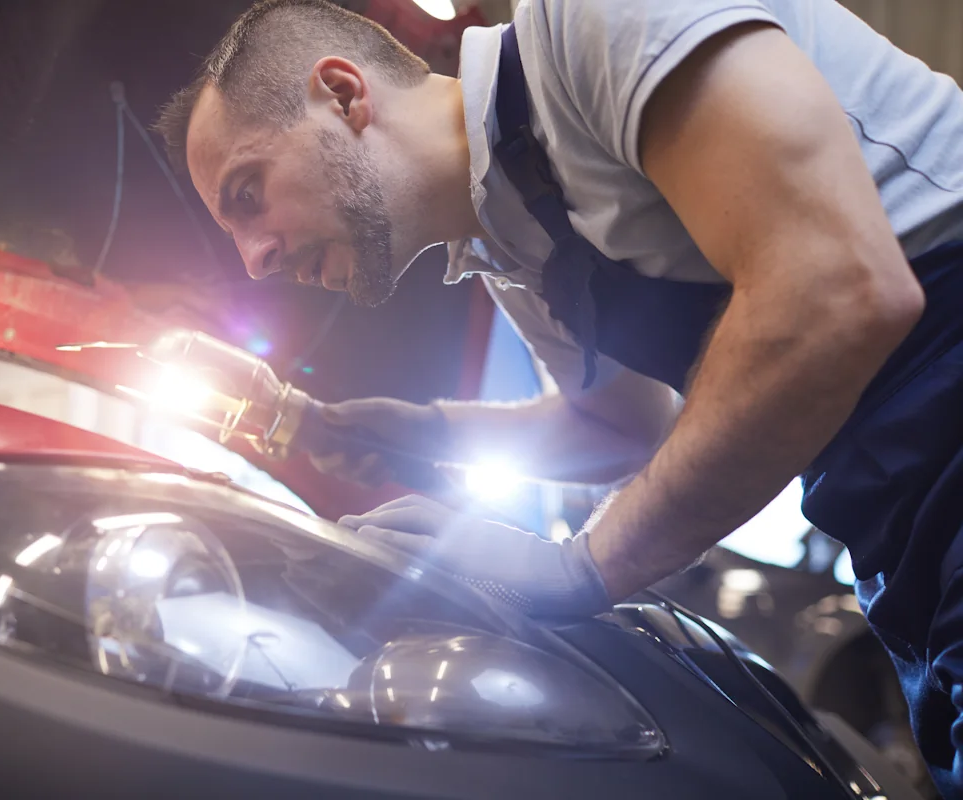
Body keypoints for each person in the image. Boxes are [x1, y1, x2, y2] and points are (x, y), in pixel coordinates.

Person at [157, 0, 963, 791]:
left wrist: (584, 567)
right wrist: (398, 431)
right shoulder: (513, 238)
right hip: (899, 523)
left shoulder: (595, 20)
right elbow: (618, 429)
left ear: (342, 94)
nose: (253, 259)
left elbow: (836, 289)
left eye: (247, 193)